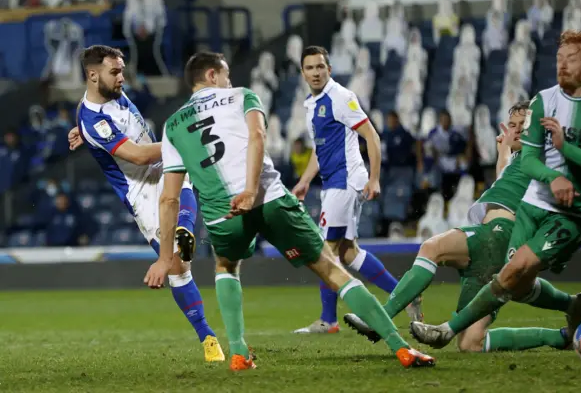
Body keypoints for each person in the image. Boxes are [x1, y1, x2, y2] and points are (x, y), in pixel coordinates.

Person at [142, 51, 435, 371]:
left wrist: (163, 257)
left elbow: (169, 199)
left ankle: (239, 354)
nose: (230, 81)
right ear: (213, 76)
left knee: (226, 266)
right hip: (268, 198)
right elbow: (257, 135)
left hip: (221, 215)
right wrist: (251, 189)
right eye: (225, 75)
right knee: (332, 268)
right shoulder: (242, 96)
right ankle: (401, 348)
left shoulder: (172, 126)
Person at [409, 30, 581, 349]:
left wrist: (567, 149)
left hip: (576, 212)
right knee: (518, 281)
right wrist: (544, 173)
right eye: (560, 58)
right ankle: (568, 315)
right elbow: (524, 163)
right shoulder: (544, 103)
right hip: (534, 207)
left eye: (573, 58)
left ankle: (446, 329)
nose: (563, 64)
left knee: (515, 272)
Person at [345, 102, 573, 352]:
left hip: (499, 236)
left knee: (433, 248)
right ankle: (560, 337)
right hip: (492, 249)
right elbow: (504, 177)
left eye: (523, 126)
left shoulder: (542, 156)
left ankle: (380, 317)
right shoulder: (520, 161)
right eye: (512, 125)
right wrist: (503, 150)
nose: (516, 130)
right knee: (470, 343)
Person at [66, 45, 224, 362]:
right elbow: (136, 156)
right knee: (180, 269)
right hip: (141, 192)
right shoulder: (92, 119)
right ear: (92, 75)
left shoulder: (109, 98)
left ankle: (182, 231)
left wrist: (87, 135)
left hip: (163, 167)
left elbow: (113, 127)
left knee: (180, 179)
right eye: (115, 72)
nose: (122, 77)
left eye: (122, 70)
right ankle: (208, 337)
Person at [291, 46, 422, 334]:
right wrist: (304, 181)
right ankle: (405, 294)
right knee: (349, 253)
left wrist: (374, 178)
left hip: (347, 181)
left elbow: (372, 136)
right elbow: (319, 149)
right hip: (333, 182)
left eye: (320, 67)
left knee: (325, 251)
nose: (315, 72)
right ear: (302, 72)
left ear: (329, 69)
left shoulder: (341, 97)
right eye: (309, 68)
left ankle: (329, 320)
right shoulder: (311, 105)